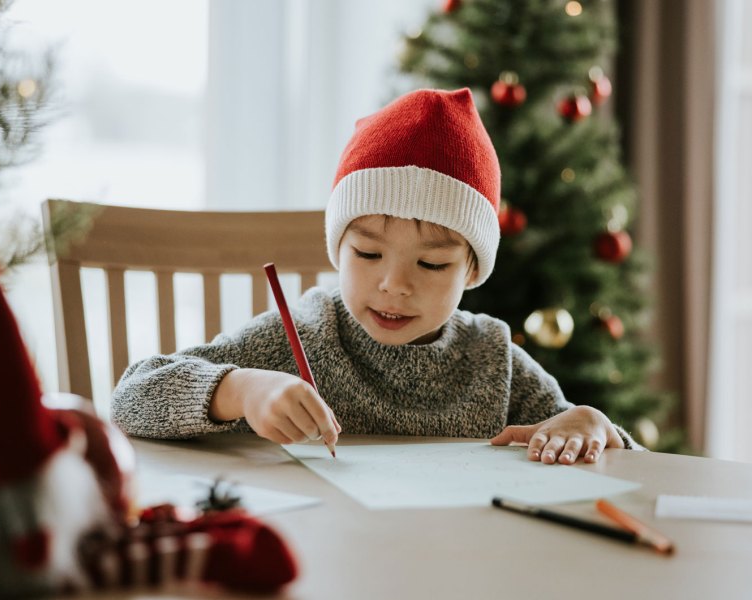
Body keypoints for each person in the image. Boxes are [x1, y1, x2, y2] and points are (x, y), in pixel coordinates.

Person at [112, 88, 641, 465]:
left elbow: (617, 456)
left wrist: (593, 425)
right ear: (337, 247)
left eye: (431, 264)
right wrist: (240, 390)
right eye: (367, 254)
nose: (394, 284)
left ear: (473, 268)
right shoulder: (303, 335)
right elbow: (132, 396)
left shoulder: (493, 358)